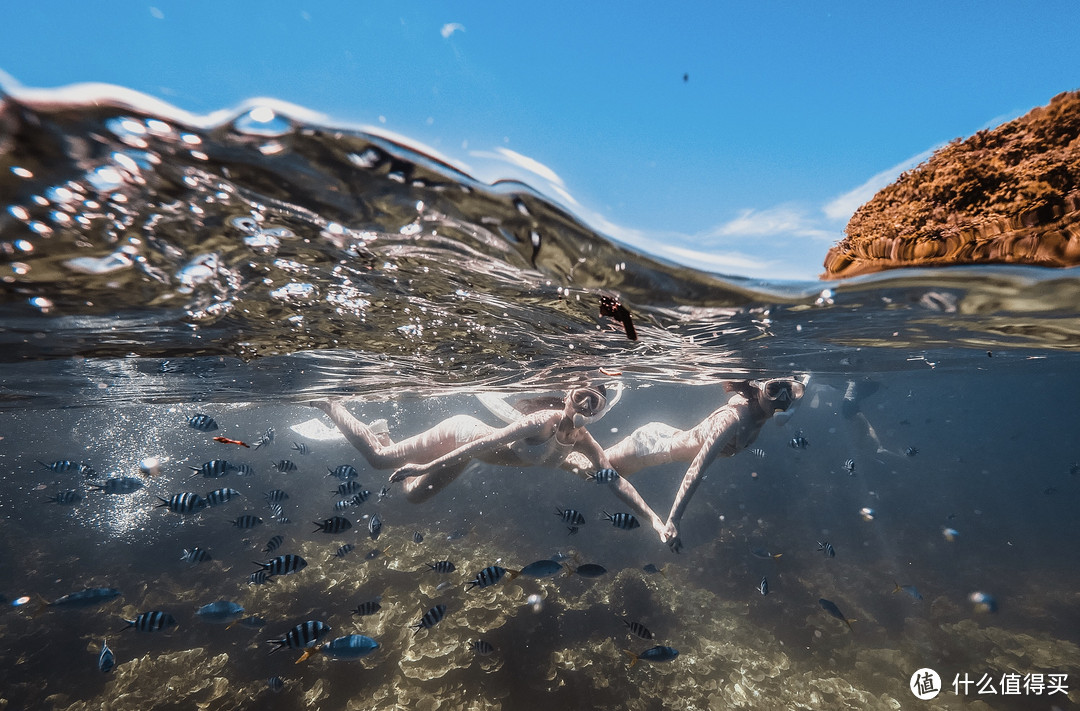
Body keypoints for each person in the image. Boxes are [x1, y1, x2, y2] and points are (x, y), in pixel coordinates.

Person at [310, 385, 670, 536]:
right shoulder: (538, 422)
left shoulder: (585, 441)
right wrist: (425, 464)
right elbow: (479, 444)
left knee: (414, 495)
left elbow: (616, 481)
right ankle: (329, 403)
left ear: (601, 411)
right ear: (567, 398)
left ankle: (383, 430)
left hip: (474, 454)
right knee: (379, 459)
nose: (586, 406)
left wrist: (654, 518)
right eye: (582, 397)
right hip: (462, 436)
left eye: (595, 403)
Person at [575, 377, 806, 552]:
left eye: (791, 391)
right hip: (654, 446)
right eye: (774, 389)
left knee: (598, 470)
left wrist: (796, 391)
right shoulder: (732, 420)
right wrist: (674, 519)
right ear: (757, 387)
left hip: (664, 439)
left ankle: (561, 444)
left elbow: (795, 392)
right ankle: (557, 438)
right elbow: (697, 469)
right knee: (590, 468)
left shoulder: (762, 408)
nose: (784, 398)